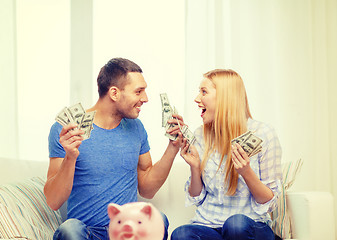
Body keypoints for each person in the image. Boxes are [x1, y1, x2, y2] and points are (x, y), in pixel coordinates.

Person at [44, 58, 183, 240]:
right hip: (87, 232)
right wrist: (70, 156)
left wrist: (173, 148)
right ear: (114, 93)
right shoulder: (66, 131)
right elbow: (53, 201)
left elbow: (147, 189)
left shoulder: (136, 128)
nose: (145, 98)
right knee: (69, 229)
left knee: (159, 220)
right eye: (139, 91)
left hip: (126, 232)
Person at [171, 69, 282, 240]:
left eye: (203, 92)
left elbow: (268, 202)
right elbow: (197, 197)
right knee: (181, 234)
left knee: (235, 225)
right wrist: (195, 167)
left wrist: (246, 172)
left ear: (224, 98)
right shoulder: (200, 135)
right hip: (210, 225)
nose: (197, 99)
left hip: (251, 225)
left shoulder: (263, 133)